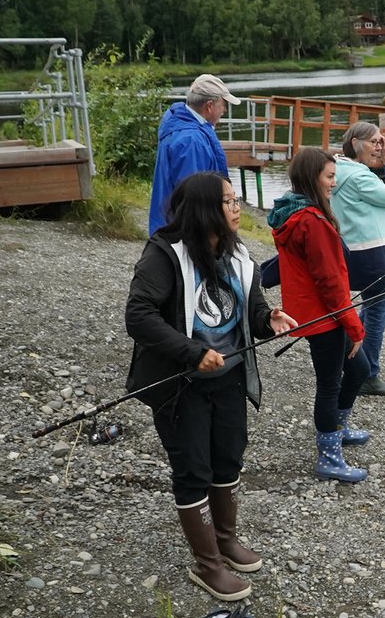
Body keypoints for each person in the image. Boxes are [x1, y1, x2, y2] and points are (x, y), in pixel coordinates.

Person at [125, 172, 298, 601]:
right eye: (226, 201)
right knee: (193, 470)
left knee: (228, 459)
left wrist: (268, 320)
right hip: (181, 385)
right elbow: (139, 316)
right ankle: (208, 565)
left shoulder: (240, 257)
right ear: (204, 209)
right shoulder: (165, 254)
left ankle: (225, 539)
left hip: (229, 380)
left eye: (236, 199)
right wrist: (190, 352)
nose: (236, 207)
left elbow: (252, 311)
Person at [268, 148, 373, 482]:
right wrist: (355, 327)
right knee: (329, 385)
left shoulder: (291, 211)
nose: (334, 183)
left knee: (360, 369)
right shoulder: (312, 222)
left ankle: (338, 430)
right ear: (313, 177)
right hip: (324, 317)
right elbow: (330, 284)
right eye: (329, 176)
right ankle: (329, 457)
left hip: (318, 314)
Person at [331, 122, 385, 396]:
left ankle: (353, 361)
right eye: (373, 142)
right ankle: (368, 373)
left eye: (380, 142)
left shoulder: (336, 170)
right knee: (376, 310)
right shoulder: (359, 177)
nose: (378, 146)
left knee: (366, 309)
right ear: (354, 143)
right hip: (372, 254)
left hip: (355, 250)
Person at [148, 74, 242, 235]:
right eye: (223, 104)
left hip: (167, 222)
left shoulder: (177, 123)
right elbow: (195, 198)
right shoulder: (191, 141)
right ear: (210, 106)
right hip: (186, 233)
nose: (224, 110)